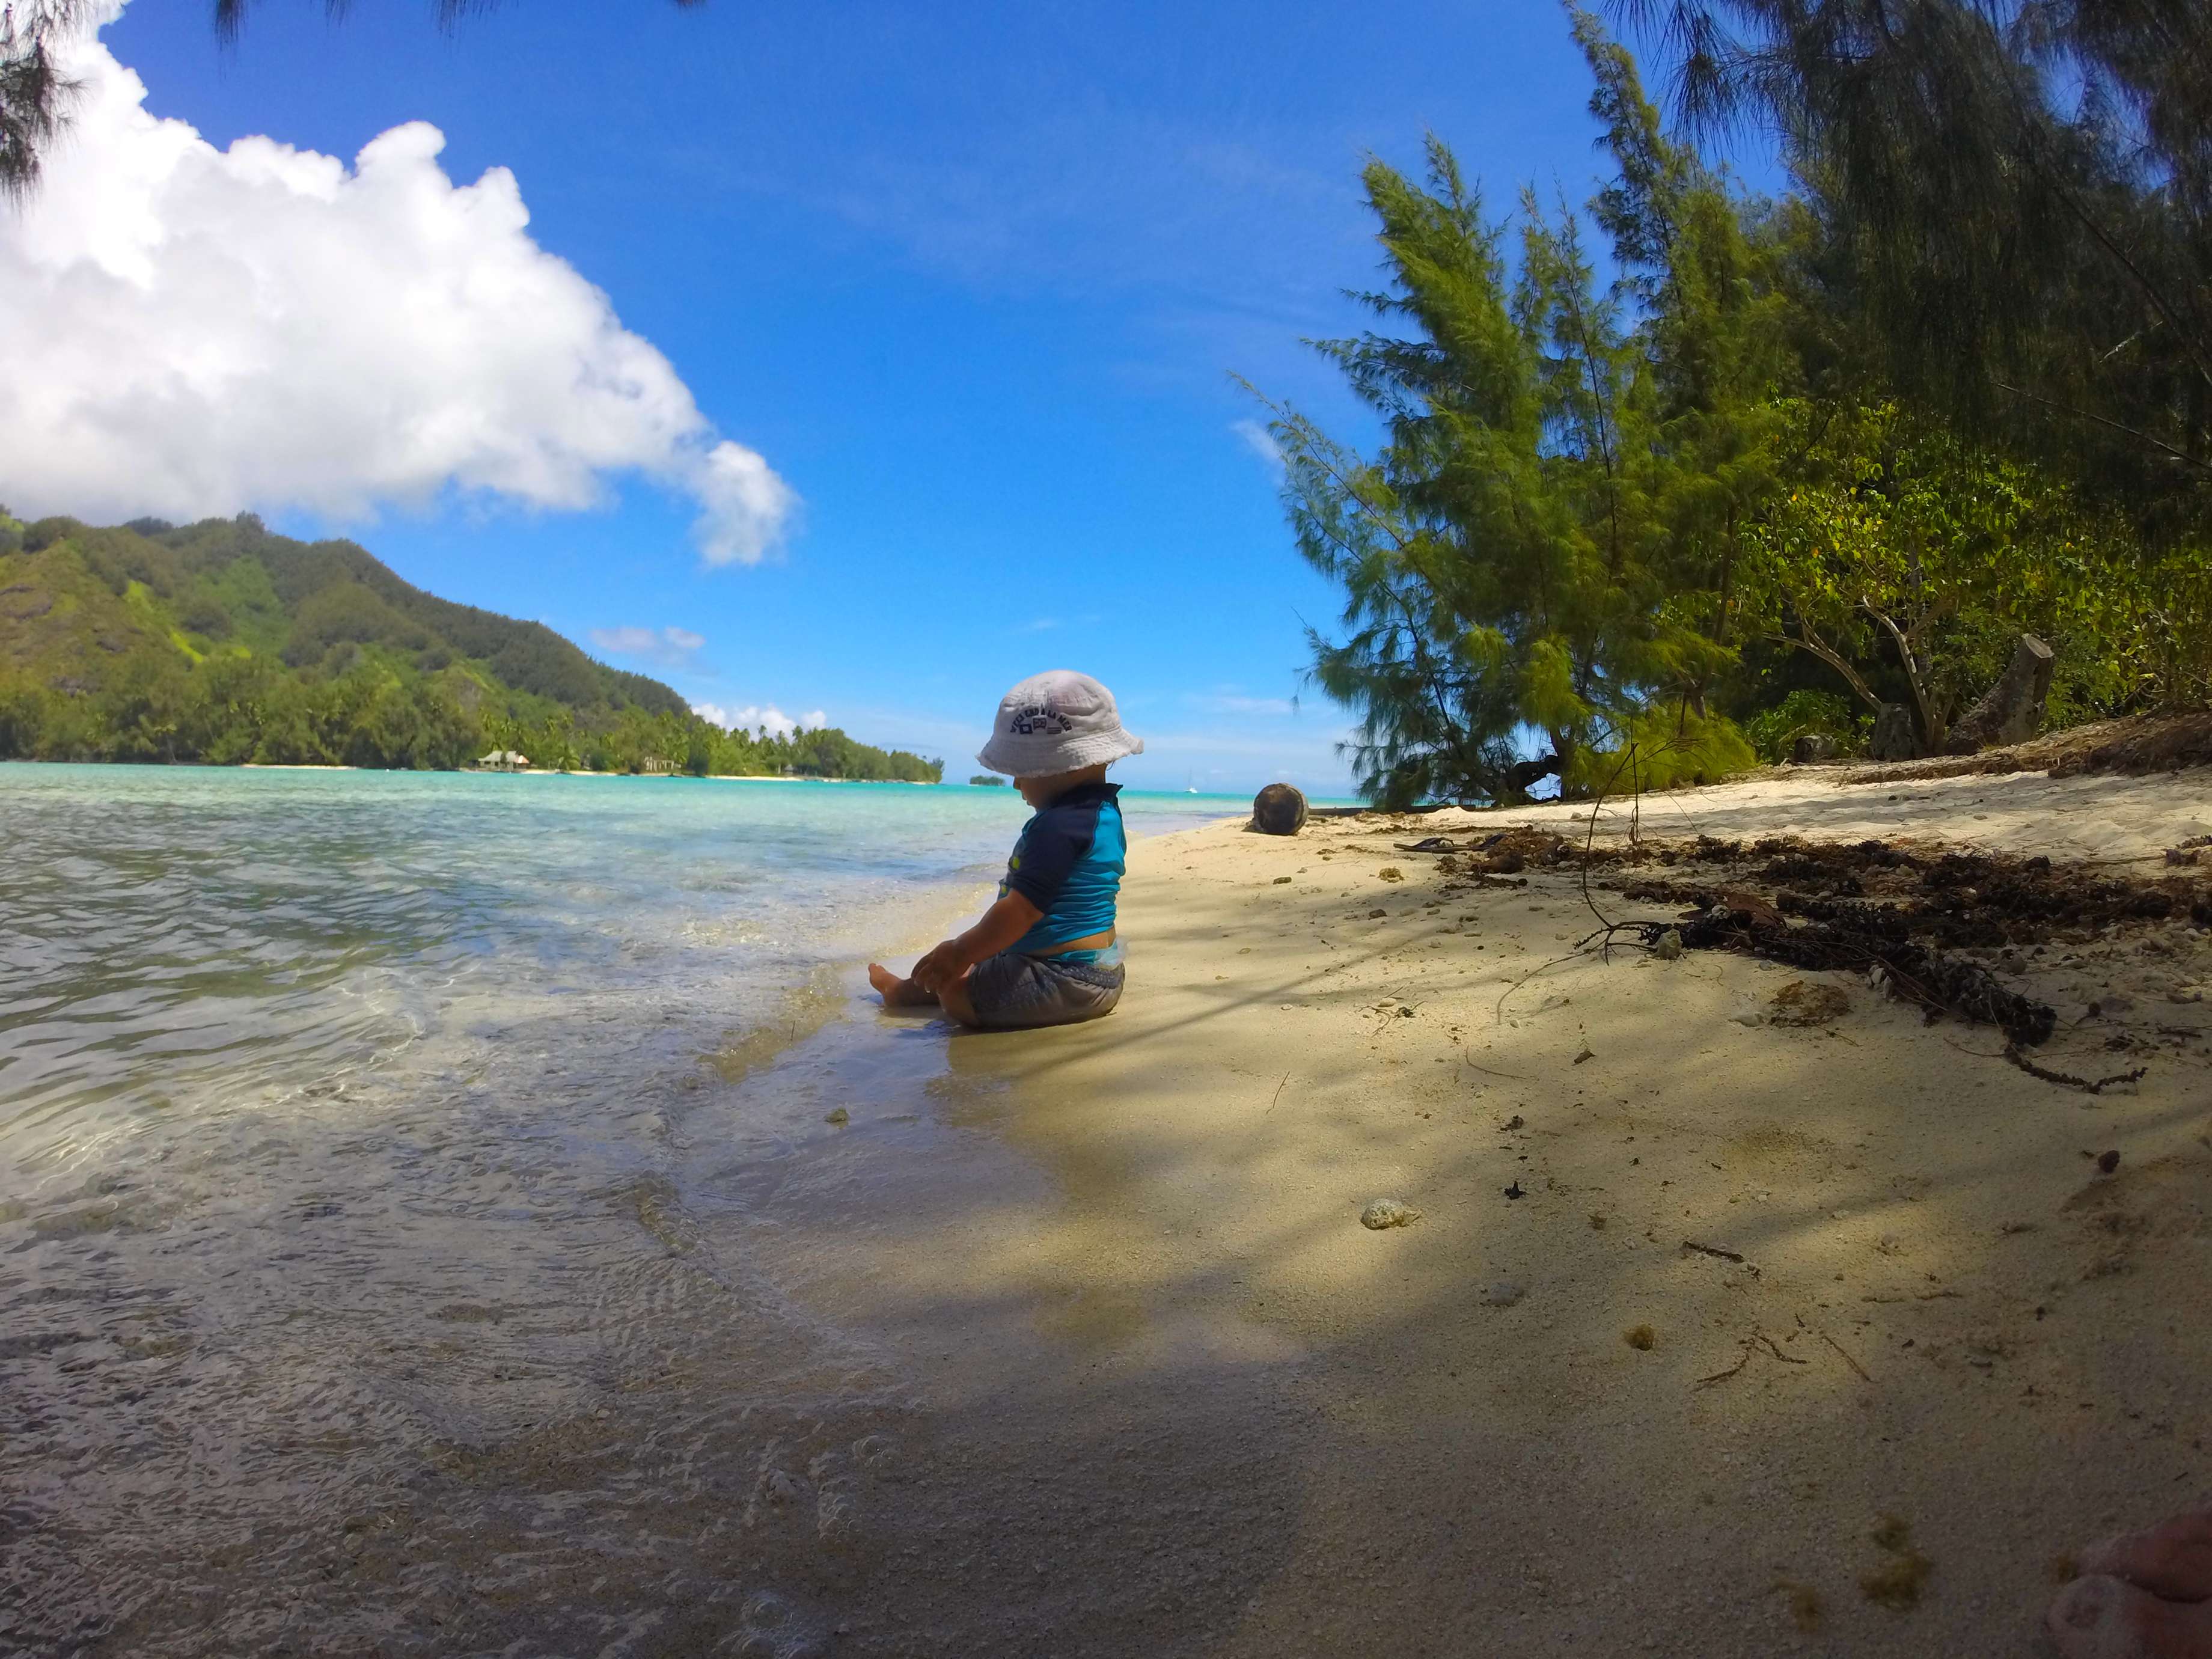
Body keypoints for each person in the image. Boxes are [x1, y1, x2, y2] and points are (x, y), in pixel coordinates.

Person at [869, 670, 1140, 1029]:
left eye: (1022, 770)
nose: (1015, 783)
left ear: (1063, 766)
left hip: (1062, 979)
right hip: (1102, 970)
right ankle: (906, 992)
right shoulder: (1103, 813)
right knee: (976, 958)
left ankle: (912, 995)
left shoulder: (1058, 827)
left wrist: (960, 950)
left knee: (956, 991)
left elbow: (1020, 912)